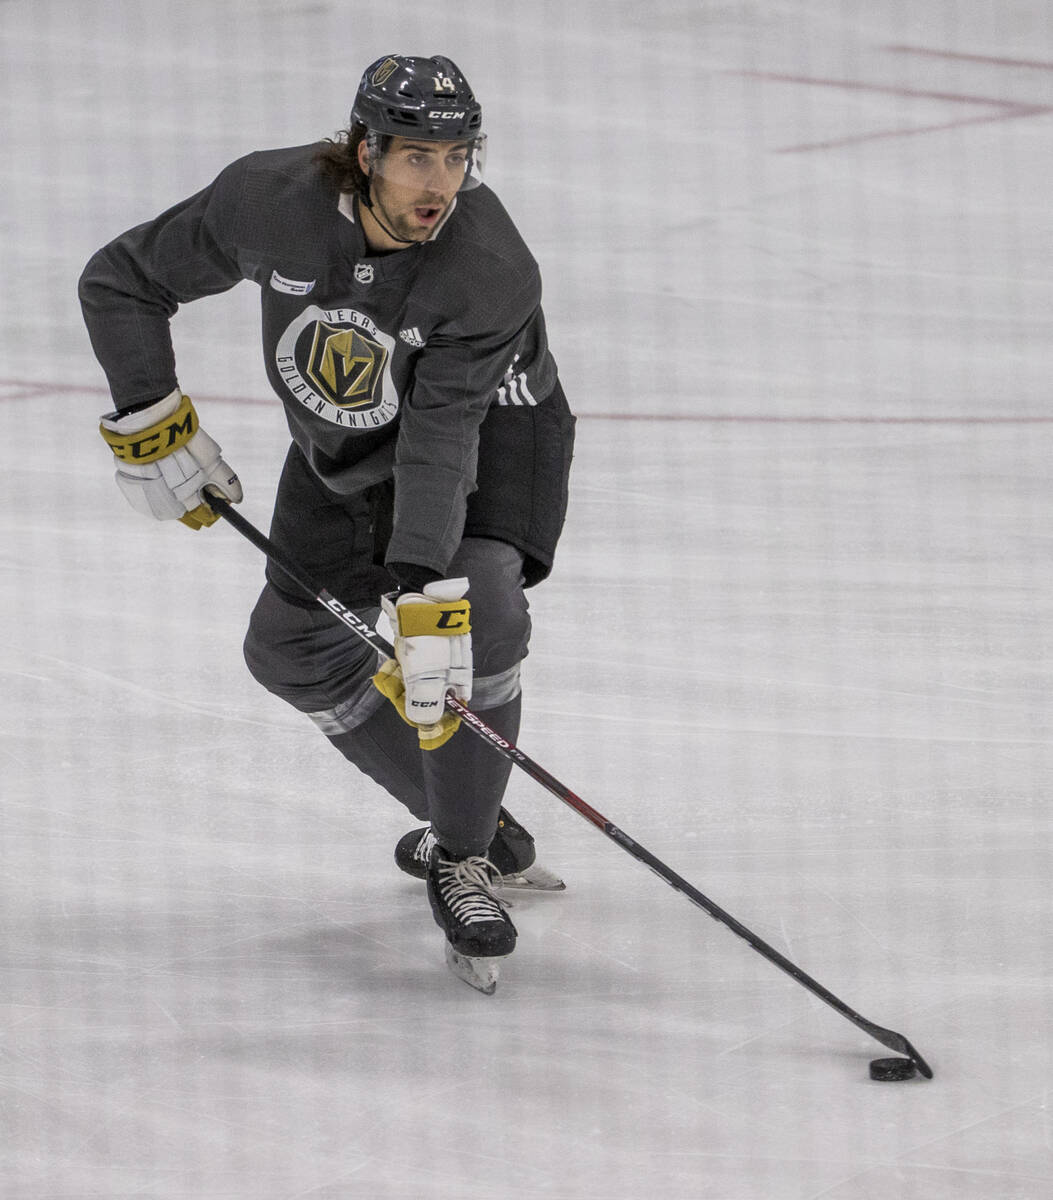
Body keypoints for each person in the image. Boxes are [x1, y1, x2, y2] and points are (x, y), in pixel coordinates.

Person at [79, 53, 575, 992]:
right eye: (417, 157)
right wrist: (149, 418)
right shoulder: (268, 202)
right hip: (347, 438)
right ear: (364, 150)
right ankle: (471, 813)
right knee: (290, 650)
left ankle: (460, 856)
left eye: (457, 157)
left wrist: (425, 592)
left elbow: (441, 436)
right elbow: (120, 280)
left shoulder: (488, 269)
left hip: (491, 430)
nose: (440, 183)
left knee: (480, 613)